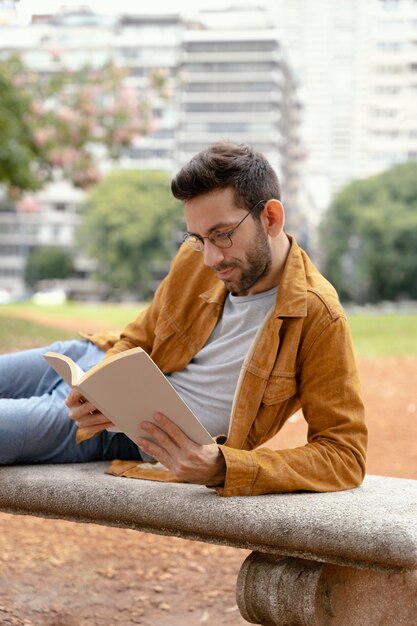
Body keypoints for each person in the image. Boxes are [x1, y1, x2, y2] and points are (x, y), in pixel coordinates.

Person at [0, 142, 367, 496]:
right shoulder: (196, 256)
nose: (209, 258)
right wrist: (99, 384)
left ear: (270, 218)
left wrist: (227, 466)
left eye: (222, 235)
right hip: (87, 364)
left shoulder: (319, 317)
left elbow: (344, 454)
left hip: (115, 430)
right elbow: (137, 337)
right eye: (198, 237)